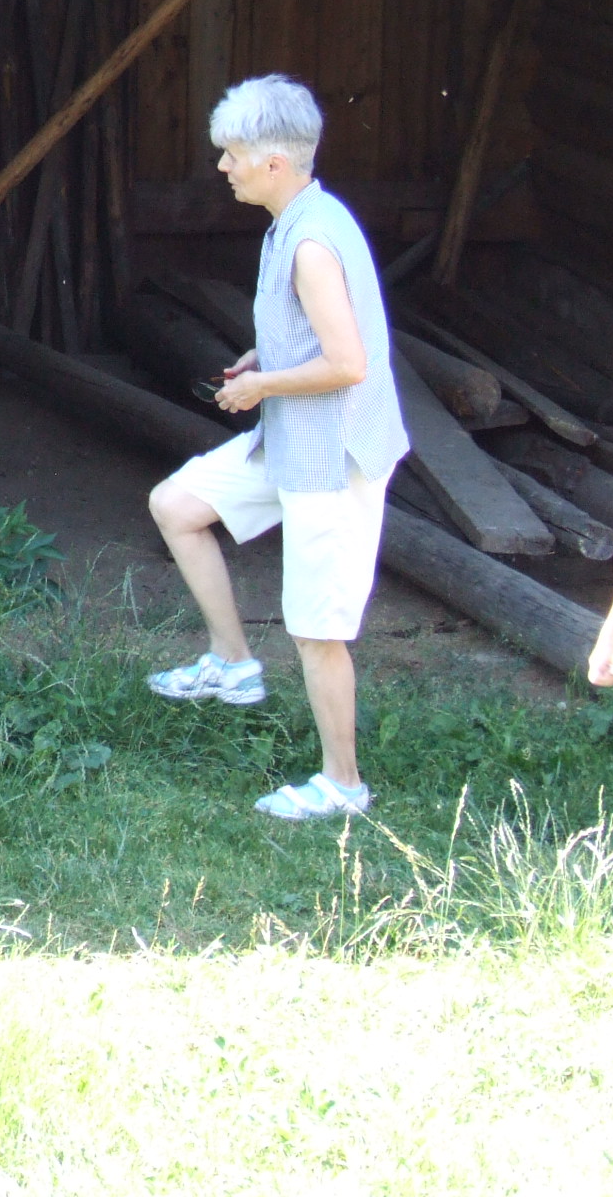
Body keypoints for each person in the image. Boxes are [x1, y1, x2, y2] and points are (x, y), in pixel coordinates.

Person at [145, 75, 410, 822]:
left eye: (231, 155)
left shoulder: (312, 243)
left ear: (274, 162)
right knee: (177, 505)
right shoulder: (293, 218)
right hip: (291, 437)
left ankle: (343, 785)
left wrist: (262, 386)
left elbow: (348, 363)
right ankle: (233, 664)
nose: (222, 166)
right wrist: (264, 358)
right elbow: (316, 333)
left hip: (333, 457)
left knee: (316, 630)